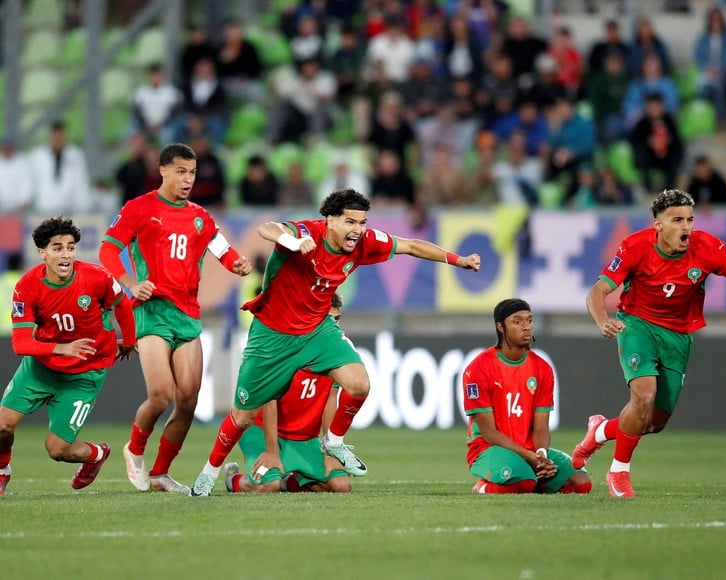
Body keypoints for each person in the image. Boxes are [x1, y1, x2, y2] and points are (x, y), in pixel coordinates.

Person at [189, 188, 481, 496]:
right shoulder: (306, 234)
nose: (358, 230)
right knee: (242, 416)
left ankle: (334, 441)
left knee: (359, 384)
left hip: (316, 329)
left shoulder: (364, 243)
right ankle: (209, 473)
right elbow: (268, 228)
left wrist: (456, 259)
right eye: (350, 222)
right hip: (272, 335)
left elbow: (410, 245)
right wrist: (292, 241)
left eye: (362, 222)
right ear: (330, 220)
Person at [572, 189, 726, 499]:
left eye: (690, 220)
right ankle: (619, 472)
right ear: (658, 224)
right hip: (637, 325)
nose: (686, 227)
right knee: (644, 395)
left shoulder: (707, 247)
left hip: (679, 335)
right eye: (677, 220)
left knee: (653, 423)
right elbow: (597, 292)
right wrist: (603, 322)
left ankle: (598, 432)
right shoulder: (635, 246)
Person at [99, 143, 253, 494]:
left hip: (187, 316)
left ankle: (160, 473)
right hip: (152, 312)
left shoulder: (199, 215)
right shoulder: (139, 208)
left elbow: (221, 248)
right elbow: (108, 249)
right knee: (160, 395)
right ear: (163, 170)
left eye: (193, 173)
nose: (187, 180)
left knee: (187, 401)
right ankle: (134, 449)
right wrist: (130, 284)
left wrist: (237, 264)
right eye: (181, 171)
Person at [0, 216, 137, 495]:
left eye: (70, 247)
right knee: (2, 426)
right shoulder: (27, 287)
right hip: (41, 368)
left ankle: (96, 454)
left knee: (57, 450)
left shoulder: (96, 276)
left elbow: (122, 304)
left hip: (83, 374)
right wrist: (61, 348)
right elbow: (21, 343)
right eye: (57, 248)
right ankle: (2, 470)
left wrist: (129, 340)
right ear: (42, 253)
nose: (66, 254)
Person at [224, 294, 353, 494]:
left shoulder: (338, 347)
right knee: (268, 485)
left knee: (340, 485)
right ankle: (234, 479)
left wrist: (330, 453)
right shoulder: (286, 340)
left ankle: (290, 481)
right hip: (262, 432)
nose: (333, 326)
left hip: (303, 439)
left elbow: (330, 399)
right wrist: (272, 451)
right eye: (327, 319)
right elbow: (269, 398)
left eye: (337, 319)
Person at [462, 298, 592, 495]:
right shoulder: (478, 369)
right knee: (524, 483)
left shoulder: (542, 368)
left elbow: (541, 426)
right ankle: (482, 487)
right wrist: (529, 457)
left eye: (529, 320)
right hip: (488, 449)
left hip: (530, 450)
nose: (527, 327)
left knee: (581, 483)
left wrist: (540, 454)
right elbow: (488, 432)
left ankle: (529, 477)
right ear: (501, 327)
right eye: (517, 321)